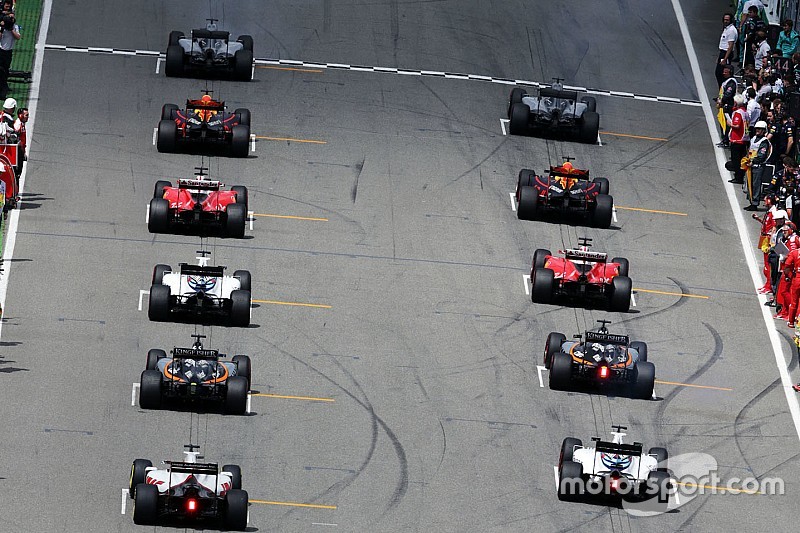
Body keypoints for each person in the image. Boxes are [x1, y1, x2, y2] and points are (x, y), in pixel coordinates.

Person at [745, 120, 772, 210]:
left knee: (756, 184)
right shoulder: (753, 139)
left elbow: (761, 155)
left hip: (758, 166)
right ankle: (751, 201)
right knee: (750, 184)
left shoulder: (764, 142)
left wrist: (753, 161)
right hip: (750, 165)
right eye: (757, 129)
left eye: (760, 129)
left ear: (764, 131)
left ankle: (755, 203)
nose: (758, 131)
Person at [728, 94, 750, 183]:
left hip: (737, 139)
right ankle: (740, 176)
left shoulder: (738, 113)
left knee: (736, 160)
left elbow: (736, 125)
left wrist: (730, 124)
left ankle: (738, 177)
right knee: (741, 159)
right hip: (744, 139)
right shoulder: (745, 112)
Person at [0, 1, 19, 100]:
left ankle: (4, 86)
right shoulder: (2, 27)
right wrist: (2, 28)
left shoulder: (14, 27)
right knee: (1, 70)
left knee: (5, 69)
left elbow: (18, 37)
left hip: (8, 52)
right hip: (1, 51)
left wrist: (11, 29)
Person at [717, 66, 737, 146]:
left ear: (730, 72)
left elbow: (728, 94)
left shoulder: (731, 82)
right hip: (724, 105)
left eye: (726, 72)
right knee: (723, 122)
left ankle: (726, 140)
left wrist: (721, 101)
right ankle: (724, 139)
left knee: (727, 123)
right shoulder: (727, 81)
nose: (723, 73)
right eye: (724, 71)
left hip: (728, 106)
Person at [718, 13, 739, 86]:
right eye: (724, 19)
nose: (725, 21)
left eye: (727, 20)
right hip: (722, 53)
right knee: (719, 73)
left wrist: (724, 59)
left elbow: (730, 46)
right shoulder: (726, 29)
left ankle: (722, 92)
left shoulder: (731, 30)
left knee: (723, 73)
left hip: (726, 53)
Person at [13, 105, 26, 176]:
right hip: (18, 151)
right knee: (17, 173)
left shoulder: (22, 124)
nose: (28, 117)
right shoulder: (18, 124)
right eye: (26, 115)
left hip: (21, 150)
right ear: (21, 116)